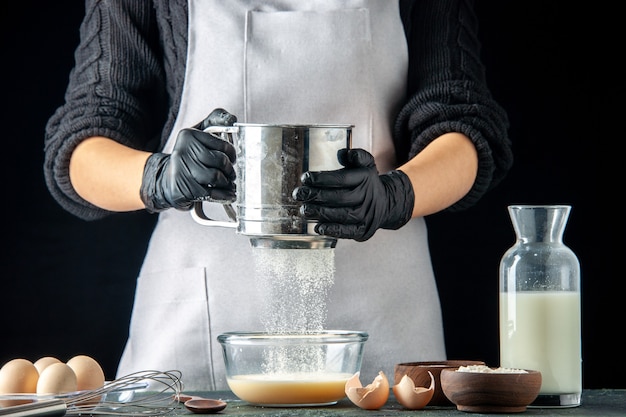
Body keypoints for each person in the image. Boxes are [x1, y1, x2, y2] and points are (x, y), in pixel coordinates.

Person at [44, 0, 512, 391]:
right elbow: (84, 140)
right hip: (202, 314)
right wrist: (158, 177)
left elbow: (462, 119)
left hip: (383, 304)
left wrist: (395, 195)